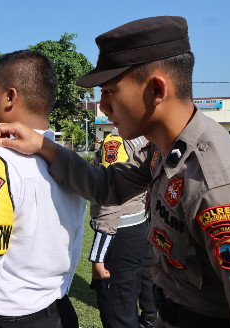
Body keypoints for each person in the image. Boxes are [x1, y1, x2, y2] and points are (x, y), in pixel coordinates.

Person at [0, 16, 230, 328]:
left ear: (155, 90)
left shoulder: (215, 183)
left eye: (110, 91)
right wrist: (43, 146)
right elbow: (107, 187)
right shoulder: (163, 149)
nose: (103, 106)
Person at [0, 50, 86, 328]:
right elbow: (73, 245)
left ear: (9, 97)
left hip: (10, 316)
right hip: (59, 308)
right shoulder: (70, 163)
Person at [89, 128, 155, 328]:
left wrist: (98, 256)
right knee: (143, 279)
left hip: (121, 228)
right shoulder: (148, 135)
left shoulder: (117, 139)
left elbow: (112, 193)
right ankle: (150, 317)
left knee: (117, 307)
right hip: (143, 223)